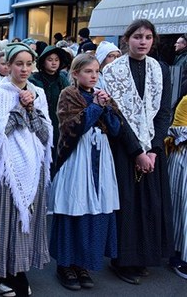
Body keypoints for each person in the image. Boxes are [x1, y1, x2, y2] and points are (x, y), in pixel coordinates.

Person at [103, 19, 174, 284]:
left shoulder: (160, 69)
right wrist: (137, 152)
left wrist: (154, 150)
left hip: (153, 147)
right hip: (124, 148)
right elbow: (115, 115)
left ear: (153, 41)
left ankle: (143, 257)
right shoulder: (112, 72)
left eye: (147, 37)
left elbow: (164, 110)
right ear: (127, 39)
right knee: (128, 204)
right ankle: (123, 261)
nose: (143, 42)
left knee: (151, 204)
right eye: (137, 37)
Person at [0, 42, 52, 297]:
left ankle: (19, 269)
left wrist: (32, 107)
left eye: (28, 64)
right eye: (18, 64)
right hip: (6, 168)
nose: (24, 69)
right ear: (8, 66)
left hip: (33, 164)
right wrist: (19, 107)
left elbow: (45, 133)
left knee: (26, 223)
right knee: (5, 221)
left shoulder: (39, 93)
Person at [49, 54, 121, 291]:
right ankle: (65, 264)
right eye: (88, 71)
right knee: (74, 207)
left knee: (95, 210)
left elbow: (115, 129)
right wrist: (96, 107)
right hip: (77, 158)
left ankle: (83, 264)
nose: (94, 76)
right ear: (76, 73)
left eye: (97, 71)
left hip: (100, 158)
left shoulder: (102, 95)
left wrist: (107, 107)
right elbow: (74, 128)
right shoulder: (69, 95)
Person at [29, 45, 71, 167]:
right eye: (50, 60)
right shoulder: (34, 79)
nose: (54, 63)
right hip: (40, 122)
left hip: (58, 123)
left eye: (56, 60)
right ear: (43, 61)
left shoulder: (62, 79)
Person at [166, 83, 187, 279]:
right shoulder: (186, 101)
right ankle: (178, 256)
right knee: (183, 210)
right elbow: (179, 130)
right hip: (184, 159)